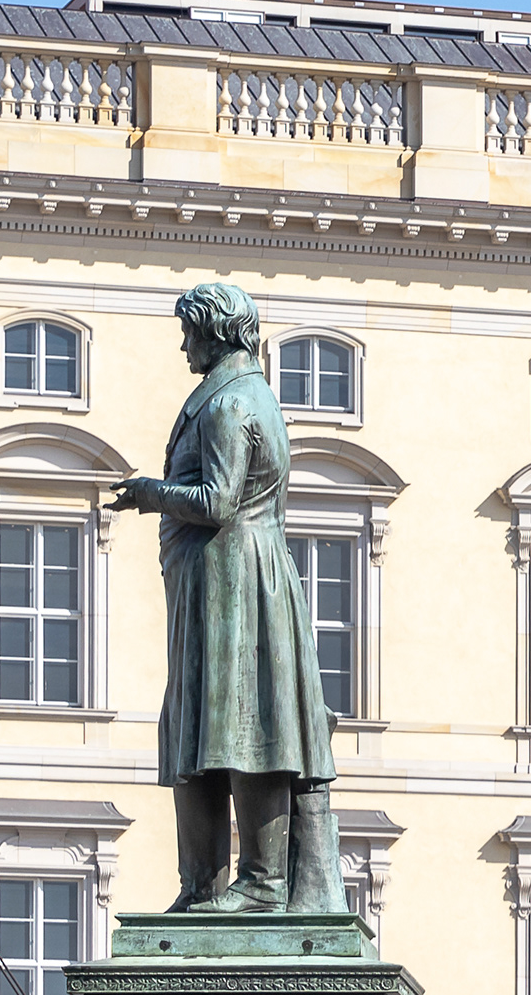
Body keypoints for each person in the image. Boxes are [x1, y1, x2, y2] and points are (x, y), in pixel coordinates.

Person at [113, 280, 346, 914]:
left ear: (217, 332)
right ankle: (202, 887)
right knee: (206, 730)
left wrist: (150, 492)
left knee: (245, 727)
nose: (184, 344)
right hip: (219, 580)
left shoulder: (232, 403)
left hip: (236, 578)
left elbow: (217, 501)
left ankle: (262, 886)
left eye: (190, 331)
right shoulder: (239, 395)